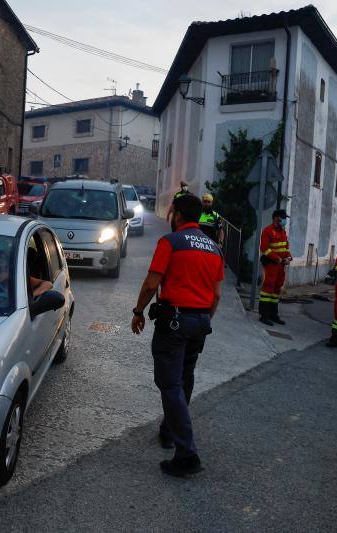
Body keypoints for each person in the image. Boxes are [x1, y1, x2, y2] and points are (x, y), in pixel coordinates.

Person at [131, 194, 224, 478]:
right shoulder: (213, 248)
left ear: (179, 215)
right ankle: (169, 432)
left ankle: (186, 454)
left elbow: (152, 283)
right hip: (200, 321)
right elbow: (217, 295)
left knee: (170, 384)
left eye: (172, 213)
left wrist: (138, 311)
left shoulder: (170, 242)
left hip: (175, 322)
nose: (170, 217)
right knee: (184, 377)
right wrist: (203, 318)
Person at [259, 209, 292, 326]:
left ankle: (273, 314)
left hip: (281, 266)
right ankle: (264, 315)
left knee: (276, 290)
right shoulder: (268, 231)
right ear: (276, 218)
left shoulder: (283, 232)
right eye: (282, 218)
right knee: (267, 289)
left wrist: (289, 257)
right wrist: (276, 258)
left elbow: (286, 248)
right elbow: (264, 248)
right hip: (271, 265)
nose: (284, 220)